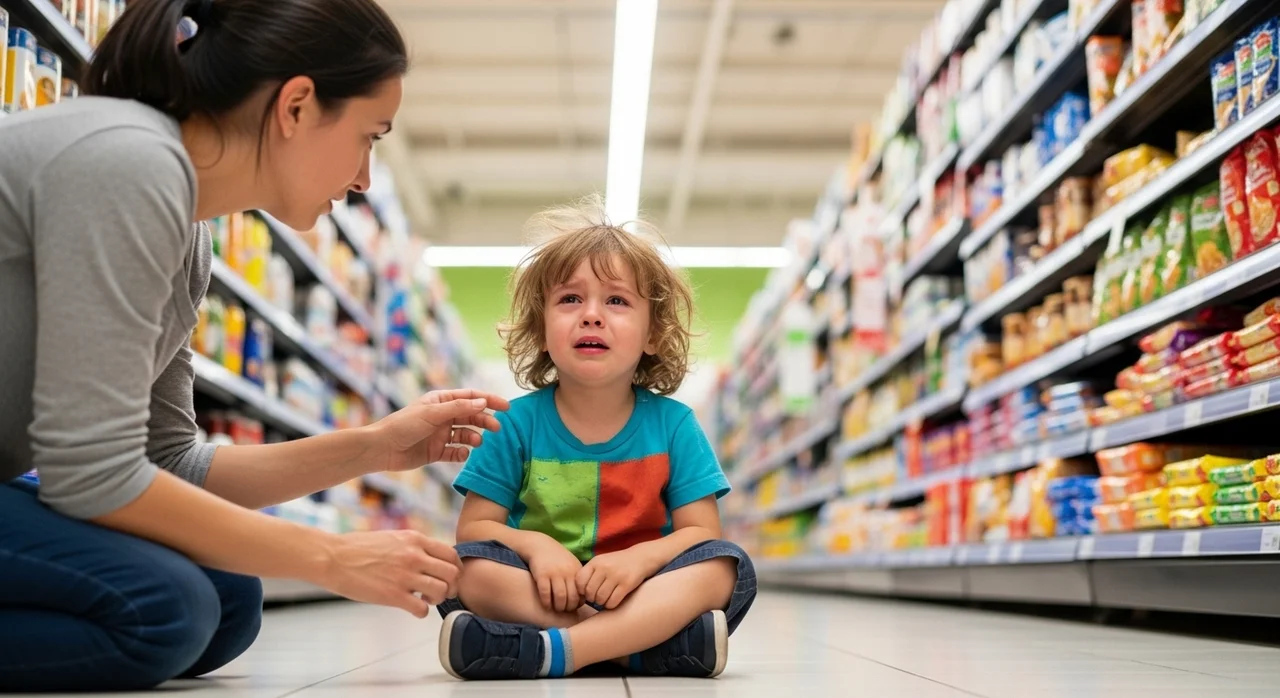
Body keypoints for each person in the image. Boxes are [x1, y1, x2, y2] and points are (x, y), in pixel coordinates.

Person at [0, 0, 509, 692]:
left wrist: (378, 447)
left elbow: (166, 460)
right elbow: (91, 472)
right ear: (296, 106)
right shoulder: (127, 161)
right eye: (369, 136)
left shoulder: (187, 230)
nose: (364, 178)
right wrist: (330, 556)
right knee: (165, 609)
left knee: (228, 601)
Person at [433, 199, 757, 681]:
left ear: (653, 334)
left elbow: (701, 532)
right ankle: (637, 647)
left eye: (617, 300)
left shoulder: (675, 425)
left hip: (643, 587)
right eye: (569, 299)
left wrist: (641, 558)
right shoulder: (513, 423)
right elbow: (476, 530)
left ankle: (557, 650)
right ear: (542, 329)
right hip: (542, 590)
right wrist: (538, 548)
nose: (591, 316)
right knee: (460, 568)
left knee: (728, 567)